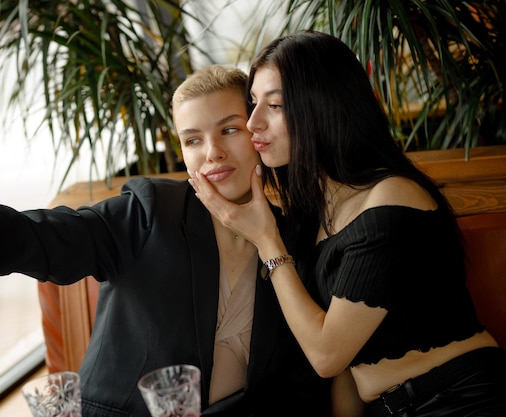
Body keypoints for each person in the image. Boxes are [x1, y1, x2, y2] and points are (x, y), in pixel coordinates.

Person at [0, 65, 331, 416]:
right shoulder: (150, 210)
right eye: (192, 139)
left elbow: (303, 379)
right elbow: (40, 237)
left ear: (257, 133)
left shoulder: (292, 238)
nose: (211, 151)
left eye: (229, 129)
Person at [189, 32, 506, 417]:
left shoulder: (392, 198)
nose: (253, 122)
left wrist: (265, 240)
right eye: (254, 103)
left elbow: (327, 354)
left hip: (461, 400)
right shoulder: (315, 214)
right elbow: (347, 372)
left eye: (274, 105)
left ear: (322, 108)